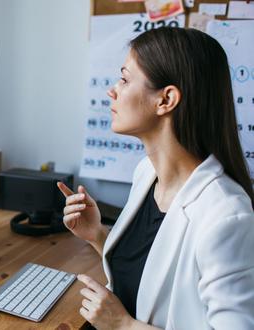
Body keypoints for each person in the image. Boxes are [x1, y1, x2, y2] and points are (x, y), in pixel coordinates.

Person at [57, 27, 254, 329]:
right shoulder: (147, 173)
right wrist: (96, 234)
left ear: (166, 99)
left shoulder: (226, 215)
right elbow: (149, 274)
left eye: (124, 79)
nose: (113, 90)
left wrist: (124, 326)